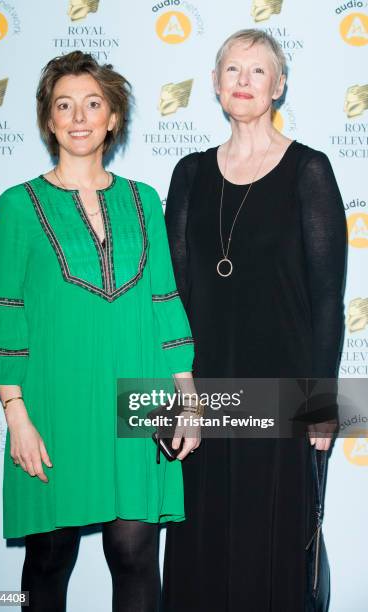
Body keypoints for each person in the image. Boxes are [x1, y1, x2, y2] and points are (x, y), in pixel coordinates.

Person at [0, 51, 200, 612]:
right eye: (64, 105)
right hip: (51, 406)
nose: (79, 117)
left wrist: (187, 396)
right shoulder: (18, 207)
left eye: (93, 104)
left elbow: (164, 302)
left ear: (113, 117)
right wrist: (15, 413)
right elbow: (3, 313)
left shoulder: (144, 201)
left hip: (137, 401)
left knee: (136, 555)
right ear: (49, 120)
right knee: (48, 560)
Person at [162, 29, 346, 611]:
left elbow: (326, 300)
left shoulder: (309, 170)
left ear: (279, 86)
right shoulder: (189, 175)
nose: (243, 81)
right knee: (202, 540)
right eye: (232, 71)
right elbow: (172, 296)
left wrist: (322, 400)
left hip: (284, 394)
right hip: (203, 393)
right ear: (216, 86)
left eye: (257, 71)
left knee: (277, 546)